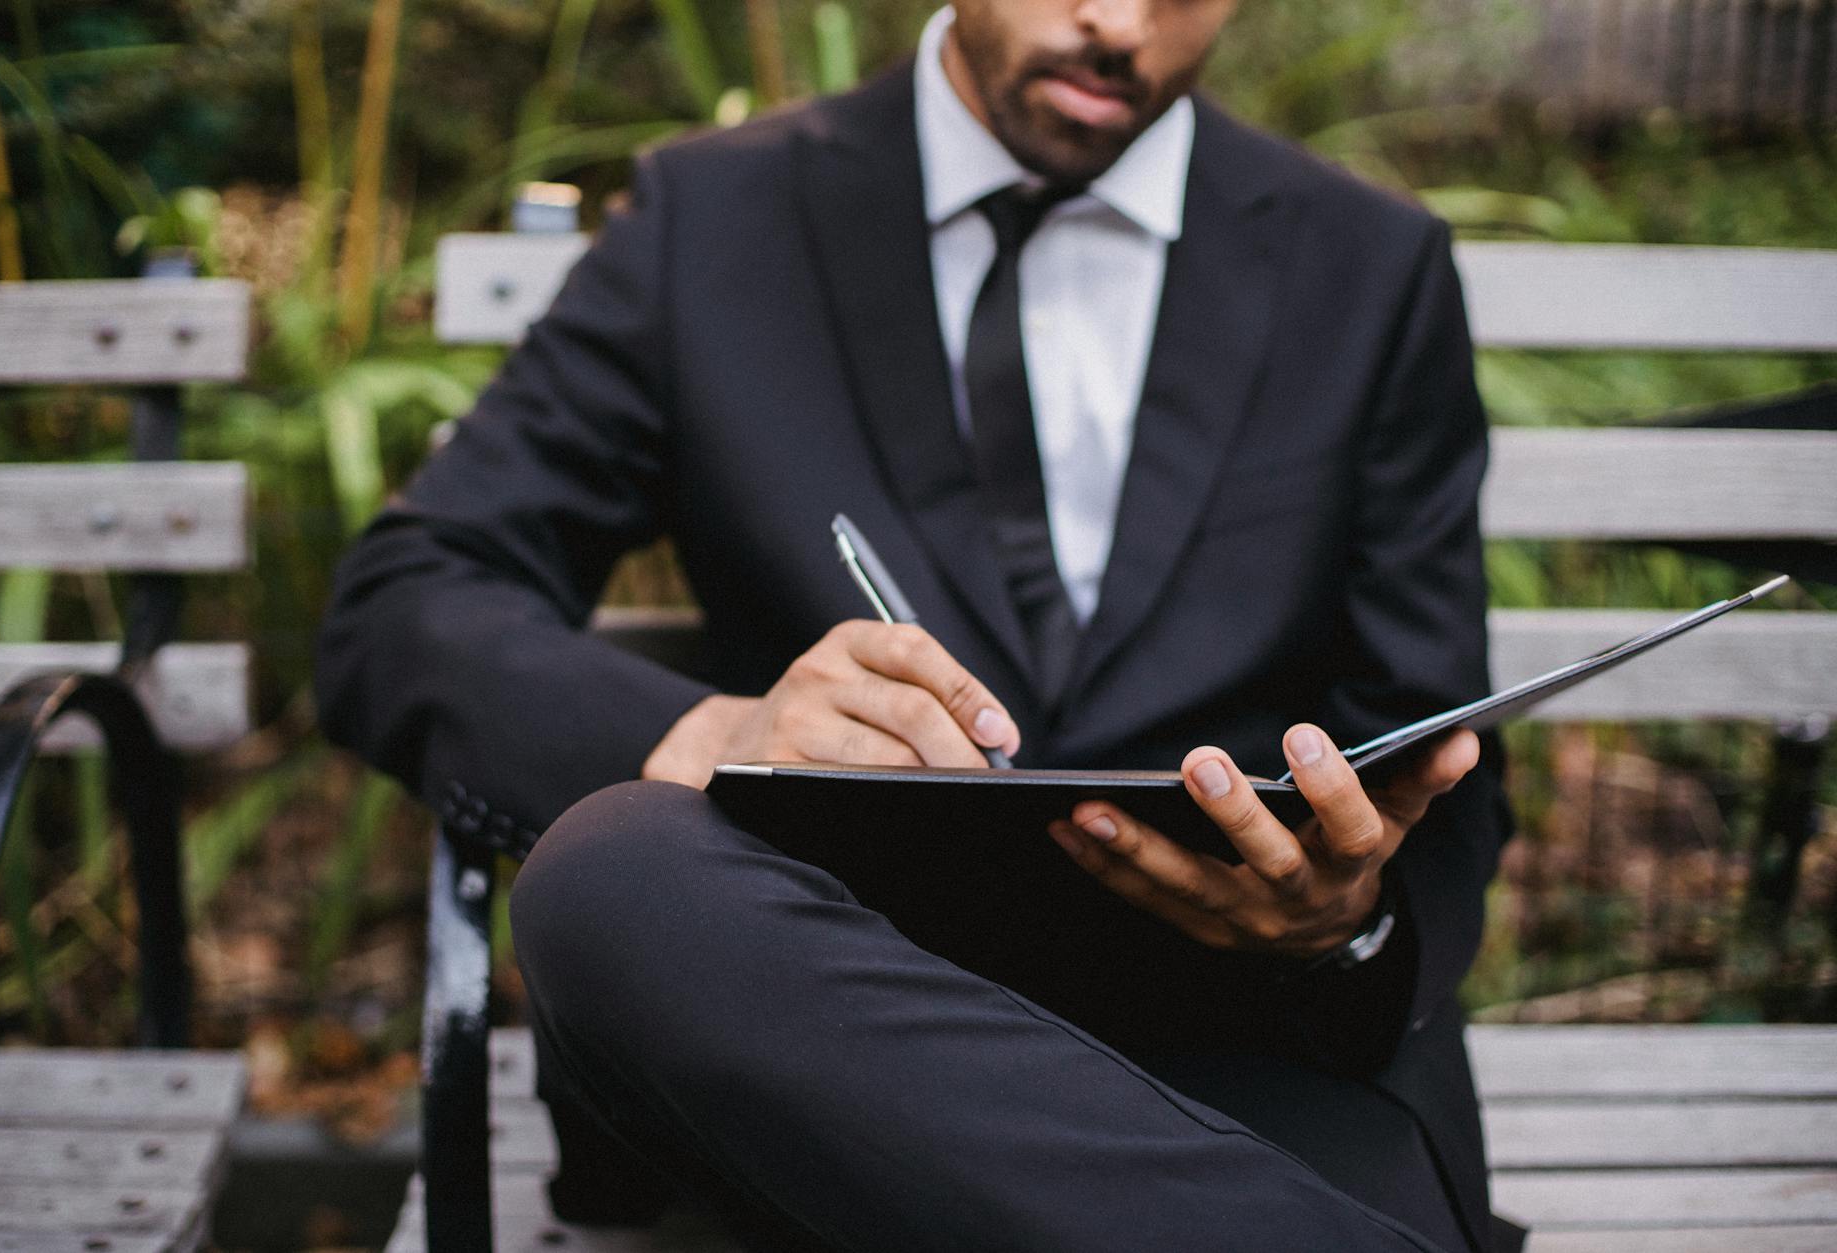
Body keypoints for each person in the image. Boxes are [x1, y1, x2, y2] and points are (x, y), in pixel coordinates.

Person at [317, 1, 1515, 1248]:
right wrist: (710, 727)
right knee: (612, 873)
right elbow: (404, 602)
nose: (1116, 20)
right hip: (819, 1058)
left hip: (1239, 1067)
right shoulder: (713, 219)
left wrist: (1344, 923)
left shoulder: (1367, 266)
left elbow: (1435, 748)